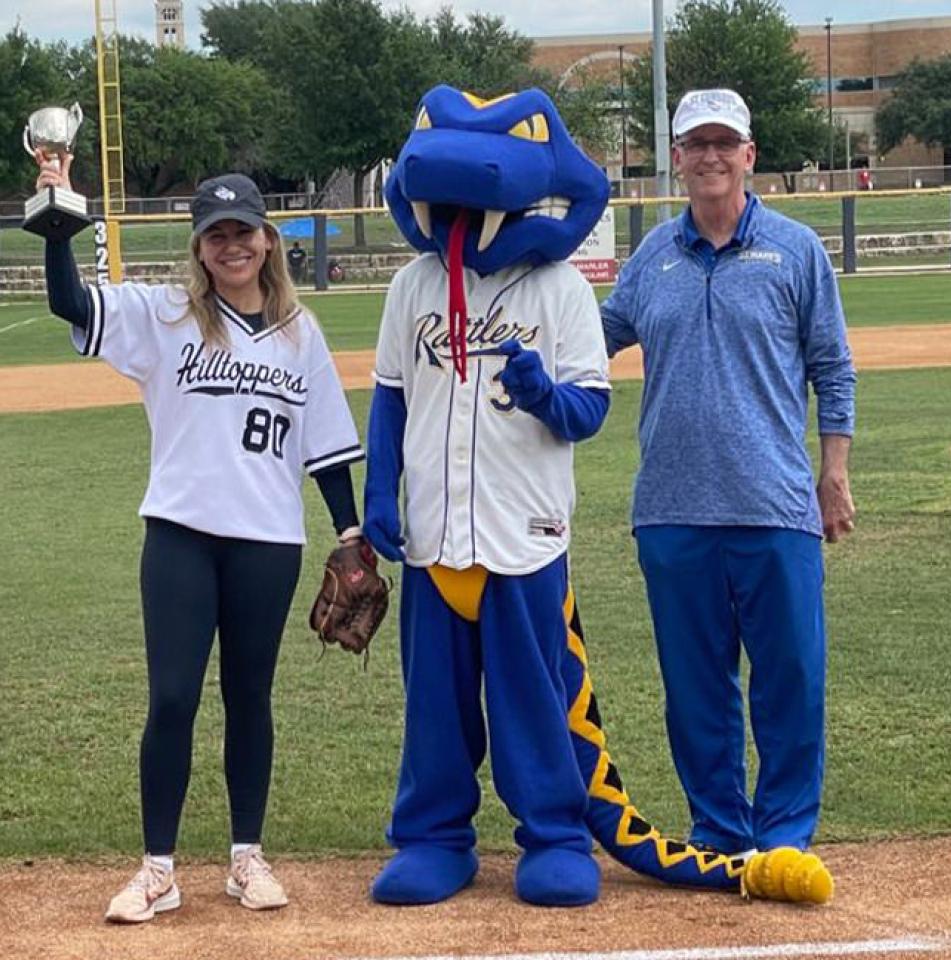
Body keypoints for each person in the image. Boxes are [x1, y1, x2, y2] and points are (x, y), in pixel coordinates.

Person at [33, 158, 366, 923]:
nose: (230, 245)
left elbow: (326, 446)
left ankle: (246, 858)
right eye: (215, 234)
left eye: (242, 230)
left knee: (250, 697)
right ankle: (159, 869)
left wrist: (348, 531)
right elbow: (68, 302)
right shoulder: (165, 314)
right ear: (199, 246)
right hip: (180, 536)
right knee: (173, 698)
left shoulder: (298, 332)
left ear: (267, 238)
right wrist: (57, 220)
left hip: (267, 543)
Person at [362, 85, 613, 907]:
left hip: (526, 530)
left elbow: (592, 409)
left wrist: (545, 394)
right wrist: (380, 494)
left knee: (533, 699)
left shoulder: (563, 290)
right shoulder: (412, 285)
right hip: (434, 534)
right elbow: (392, 394)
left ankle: (554, 834)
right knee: (433, 702)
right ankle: (434, 836)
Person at [600, 89, 856, 858]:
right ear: (675, 158)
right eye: (695, 143)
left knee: (791, 685)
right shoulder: (652, 258)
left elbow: (832, 368)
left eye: (725, 142)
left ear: (749, 154)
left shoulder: (796, 249)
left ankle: (783, 837)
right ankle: (719, 830)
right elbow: (592, 340)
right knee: (697, 693)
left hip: (775, 507)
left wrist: (833, 474)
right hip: (672, 511)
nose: (710, 155)